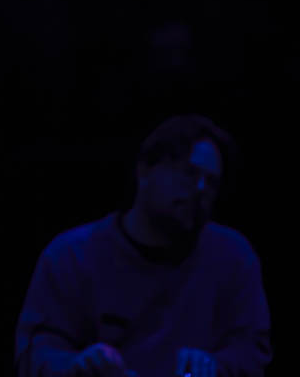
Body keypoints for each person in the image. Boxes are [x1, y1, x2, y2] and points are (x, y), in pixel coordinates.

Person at [15, 115, 271, 377]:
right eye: (189, 173)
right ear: (145, 170)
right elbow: (36, 352)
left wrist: (216, 365)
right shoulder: (71, 256)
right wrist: (75, 366)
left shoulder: (233, 258)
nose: (200, 188)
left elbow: (252, 350)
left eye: (212, 182)